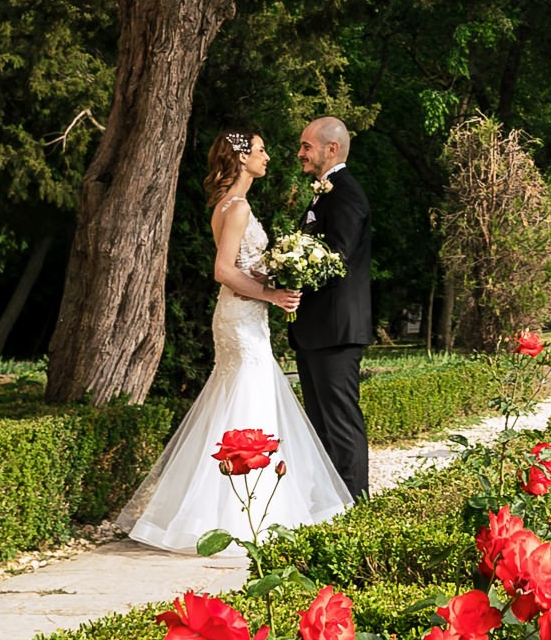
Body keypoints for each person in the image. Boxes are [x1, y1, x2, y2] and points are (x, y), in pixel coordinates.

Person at [112, 128, 354, 551]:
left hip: (242, 315)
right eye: (260, 150)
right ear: (242, 158)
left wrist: (270, 275)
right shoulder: (237, 207)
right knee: (250, 400)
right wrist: (272, 295)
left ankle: (230, 510)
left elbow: (241, 267)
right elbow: (223, 270)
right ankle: (245, 517)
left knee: (235, 402)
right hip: (242, 319)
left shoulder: (227, 205)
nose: (267, 157)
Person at [289, 116, 373, 502]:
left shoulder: (347, 193)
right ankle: (327, 504)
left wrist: (292, 271)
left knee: (340, 423)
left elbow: (337, 257)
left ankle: (353, 504)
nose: (301, 153)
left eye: (307, 146)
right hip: (316, 329)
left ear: (332, 149)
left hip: (336, 329)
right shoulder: (325, 193)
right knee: (320, 425)